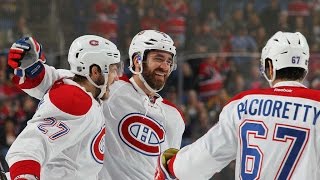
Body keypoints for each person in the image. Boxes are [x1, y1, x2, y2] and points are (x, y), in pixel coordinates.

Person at [6, 30, 185, 179]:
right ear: (138, 60)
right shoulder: (110, 87)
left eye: (169, 61)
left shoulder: (174, 116)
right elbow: (71, 81)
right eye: (159, 59)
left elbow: (170, 169)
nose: (165, 66)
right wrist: (31, 69)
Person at [155, 31, 319, 180]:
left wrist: (171, 165)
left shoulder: (243, 104)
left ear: (270, 67)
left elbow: (204, 157)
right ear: (304, 69)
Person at [4, 35, 121, 180]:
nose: (116, 77)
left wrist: (29, 66)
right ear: (95, 71)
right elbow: (30, 146)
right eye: (113, 70)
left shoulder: (71, 82)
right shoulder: (76, 100)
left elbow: (43, 78)